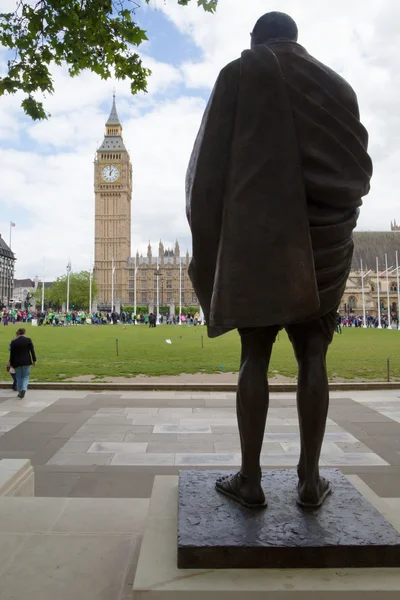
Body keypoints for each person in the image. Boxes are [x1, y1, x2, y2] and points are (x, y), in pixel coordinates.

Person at [186, 11, 372, 509]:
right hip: (327, 245)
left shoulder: (240, 72)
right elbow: (357, 175)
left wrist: (209, 246)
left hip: (262, 245)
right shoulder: (340, 89)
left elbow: (206, 174)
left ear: (256, 40)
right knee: (315, 355)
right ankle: (309, 481)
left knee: (255, 357)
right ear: (295, 40)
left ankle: (250, 480)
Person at [9, 328, 37, 399]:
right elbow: (32, 351)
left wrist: (11, 362)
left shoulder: (13, 341)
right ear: (24, 333)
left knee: (19, 377)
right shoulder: (28, 340)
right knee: (25, 376)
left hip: (17, 362)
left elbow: (12, 354)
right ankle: (24, 389)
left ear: (18, 333)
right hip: (26, 361)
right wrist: (34, 360)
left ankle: (20, 392)